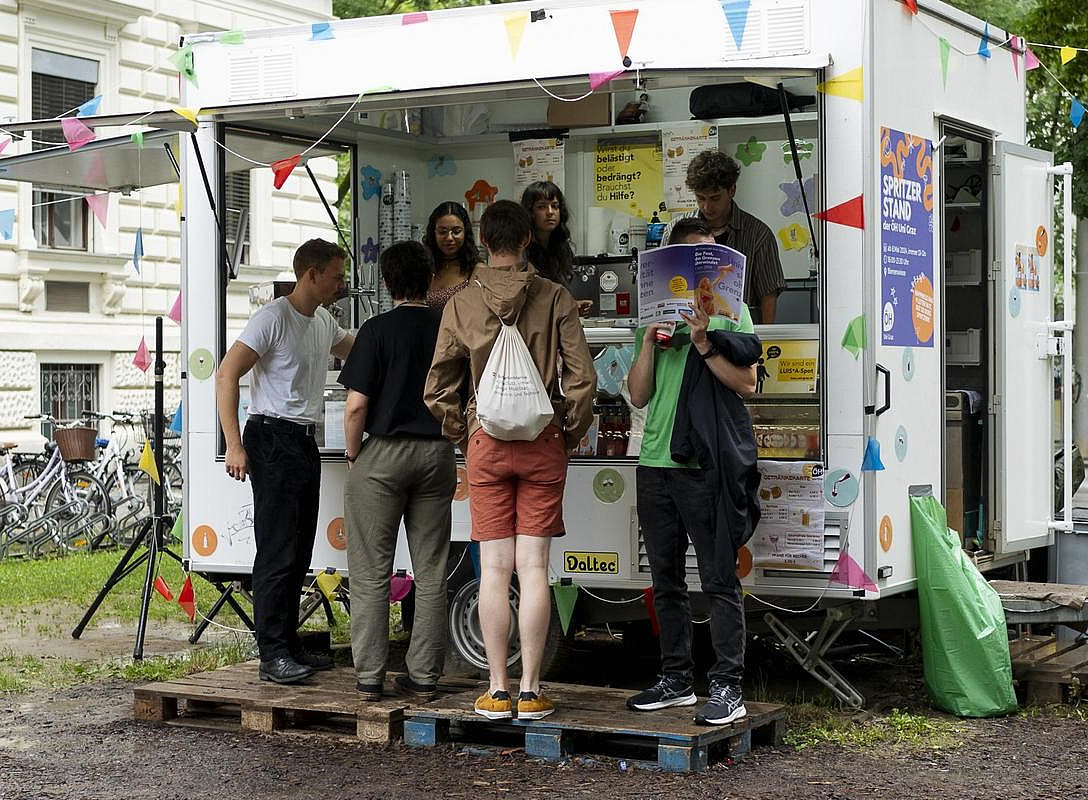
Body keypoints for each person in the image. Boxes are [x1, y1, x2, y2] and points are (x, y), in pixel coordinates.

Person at [425, 200, 596, 721]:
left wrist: (466, 433)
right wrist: (566, 435)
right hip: (543, 442)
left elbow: (438, 387)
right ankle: (531, 690)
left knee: (495, 571)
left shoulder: (460, 303)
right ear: (527, 240)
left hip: (487, 446)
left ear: (482, 237)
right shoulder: (554, 296)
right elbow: (582, 381)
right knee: (535, 569)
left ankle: (496, 690)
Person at [625, 216, 761, 726]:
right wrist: (647, 344)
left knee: (718, 577)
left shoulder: (733, 312)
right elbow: (639, 394)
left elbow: (747, 384)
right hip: (654, 461)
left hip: (703, 463)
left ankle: (727, 686)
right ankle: (676, 678)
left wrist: (704, 341)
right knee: (665, 579)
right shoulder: (653, 318)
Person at [217, 239, 355, 684]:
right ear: (311, 274)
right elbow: (227, 373)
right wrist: (234, 444)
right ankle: (271, 652)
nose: (342, 284)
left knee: (298, 549)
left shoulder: (323, 321)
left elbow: (354, 351)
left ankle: (290, 642)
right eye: (336, 276)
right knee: (276, 549)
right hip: (270, 437)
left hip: (302, 440)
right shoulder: (273, 317)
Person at [339, 241, 456, 702]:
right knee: (431, 570)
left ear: (387, 283)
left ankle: (370, 675)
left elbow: (356, 407)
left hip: (383, 455)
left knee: (371, 571)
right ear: (431, 280)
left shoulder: (376, 330)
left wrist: (354, 455)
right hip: (437, 454)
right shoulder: (448, 327)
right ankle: (425, 675)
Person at [662, 151, 787, 324]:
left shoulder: (758, 234)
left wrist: (765, 342)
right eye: (700, 198)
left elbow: (769, 294)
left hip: (738, 335)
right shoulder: (674, 231)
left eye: (715, 198)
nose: (707, 206)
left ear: (732, 190)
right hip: (687, 331)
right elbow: (663, 287)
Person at [521, 181, 593, 316]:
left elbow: (555, 294)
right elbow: (532, 301)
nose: (550, 212)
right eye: (542, 207)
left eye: (555, 206)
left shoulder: (562, 249)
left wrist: (572, 306)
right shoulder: (521, 251)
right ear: (530, 212)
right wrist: (568, 307)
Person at [423, 201, 483, 309]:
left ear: (466, 233)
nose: (449, 238)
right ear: (433, 233)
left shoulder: (477, 269)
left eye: (456, 231)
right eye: (443, 232)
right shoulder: (424, 268)